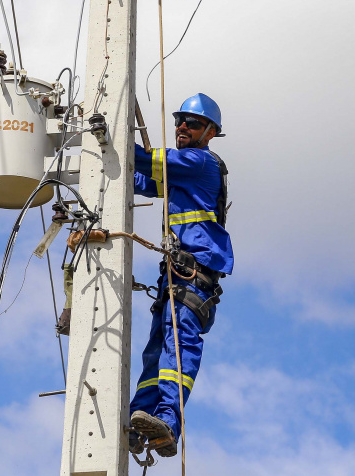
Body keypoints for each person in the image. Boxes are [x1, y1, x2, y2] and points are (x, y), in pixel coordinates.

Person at [128, 93, 233, 458]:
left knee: (178, 346)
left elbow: (144, 160)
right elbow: (140, 180)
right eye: (179, 122)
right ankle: (138, 420)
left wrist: (114, 137)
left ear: (210, 132)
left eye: (191, 123)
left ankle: (168, 422)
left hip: (194, 277)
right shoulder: (181, 175)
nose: (181, 128)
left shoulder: (200, 163)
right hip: (174, 277)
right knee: (155, 353)